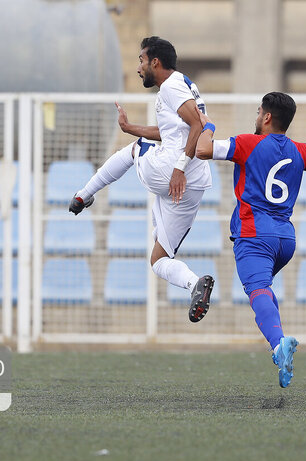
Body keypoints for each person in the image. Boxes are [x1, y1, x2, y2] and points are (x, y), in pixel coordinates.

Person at [195, 92, 306, 387]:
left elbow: (202, 150)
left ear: (267, 117)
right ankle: (278, 343)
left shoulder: (247, 143)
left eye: (259, 112)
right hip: (285, 239)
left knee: (257, 289)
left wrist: (207, 125)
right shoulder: (302, 151)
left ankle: (278, 344)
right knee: (262, 291)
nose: (256, 116)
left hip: (254, 234)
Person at [69, 36, 215, 322]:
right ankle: (194, 284)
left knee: (135, 149)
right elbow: (175, 131)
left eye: (141, 61)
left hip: (173, 173)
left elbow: (198, 124)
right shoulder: (185, 86)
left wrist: (179, 167)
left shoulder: (170, 87)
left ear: (155, 63)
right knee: (159, 260)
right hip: (194, 185)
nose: (139, 68)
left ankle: (83, 194)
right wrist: (129, 127)